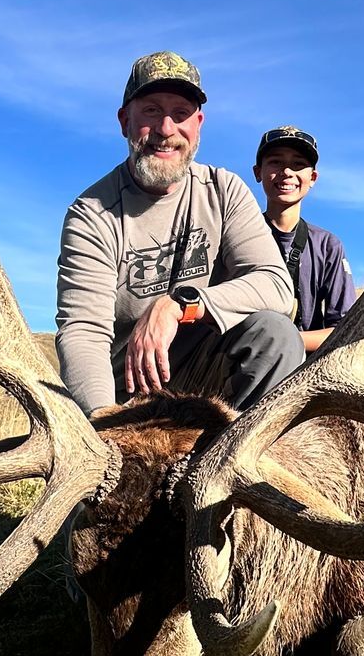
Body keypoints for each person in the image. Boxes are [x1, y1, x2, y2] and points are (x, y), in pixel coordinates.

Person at [56, 52, 303, 416]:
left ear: (198, 124)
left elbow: (276, 286)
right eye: (152, 111)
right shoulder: (92, 213)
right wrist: (104, 420)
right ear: (125, 121)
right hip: (129, 393)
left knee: (276, 334)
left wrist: (179, 305)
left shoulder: (223, 190)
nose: (166, 129)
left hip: (205, 377)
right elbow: (83, 332)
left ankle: (240, 463)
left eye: (181, 113)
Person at [252, 126, 357, 354]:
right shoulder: (239, 235)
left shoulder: (328, 245)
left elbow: (344, 329)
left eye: (298, 164)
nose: (287, 172)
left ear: (313, 178)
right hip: (245, 357)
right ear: (258, 172)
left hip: (304, 363)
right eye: (276, 162)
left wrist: (281, 342)